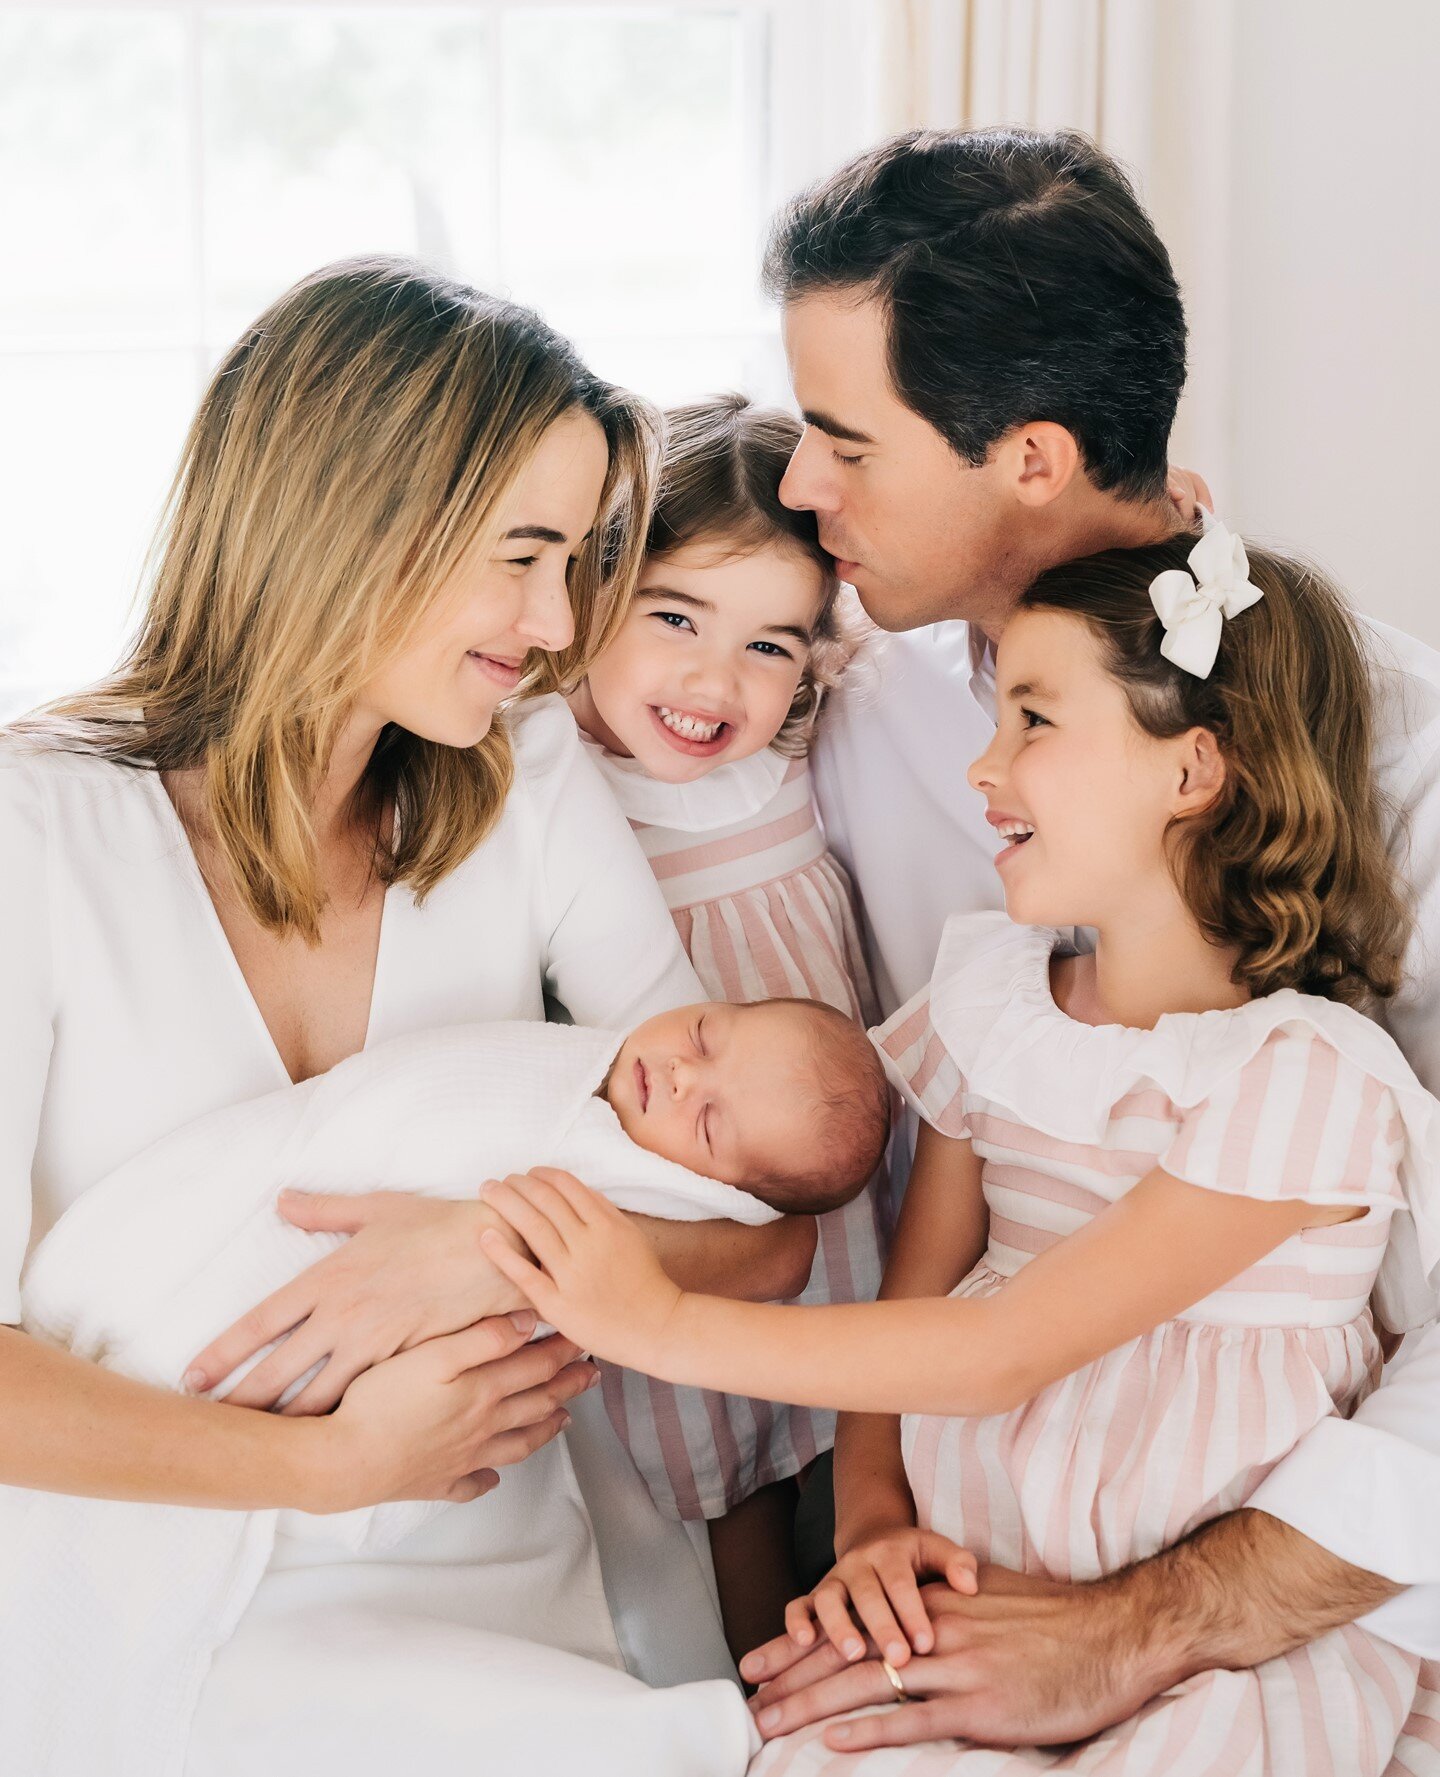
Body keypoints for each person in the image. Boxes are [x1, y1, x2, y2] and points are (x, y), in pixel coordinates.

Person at [0, 256, 817, 1776]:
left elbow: (763, 1228)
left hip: (495, 1540)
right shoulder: (33, 835)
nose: (558, 622)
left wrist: (482, 1246)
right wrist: (329, 1465)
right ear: (352, 519)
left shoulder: (527, 785)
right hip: (168, 1556)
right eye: (521, 556)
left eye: (575, 561)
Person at [477, 524, 1440, 1773]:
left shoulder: (1303, 1079)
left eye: (1035, 721)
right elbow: (913, 1306)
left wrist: (651, 1320)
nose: (986, 768)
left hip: (1210, 1655)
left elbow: (997, 1350)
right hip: (966, 1588)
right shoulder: (991, 1002)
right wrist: (872, 1519)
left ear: (1194, 770)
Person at [734, 126, 1440, 1764]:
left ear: (1031, 458)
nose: (797, 487)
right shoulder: (816, 681)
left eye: (847, 441)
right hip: (937, 1543)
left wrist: (1150, 1627)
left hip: (1279, 1593)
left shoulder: (1396, 763)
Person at [567, 394, 891, 1654]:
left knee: (857, 1423)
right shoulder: (558, 786)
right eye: (676, 618)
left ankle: (853, 1667)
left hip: (828, 1171)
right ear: (599, 590)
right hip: (693, 1180)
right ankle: (757, 1701)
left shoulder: (797, 750)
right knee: (725, 1468)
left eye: (772, 645)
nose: (717, 681)